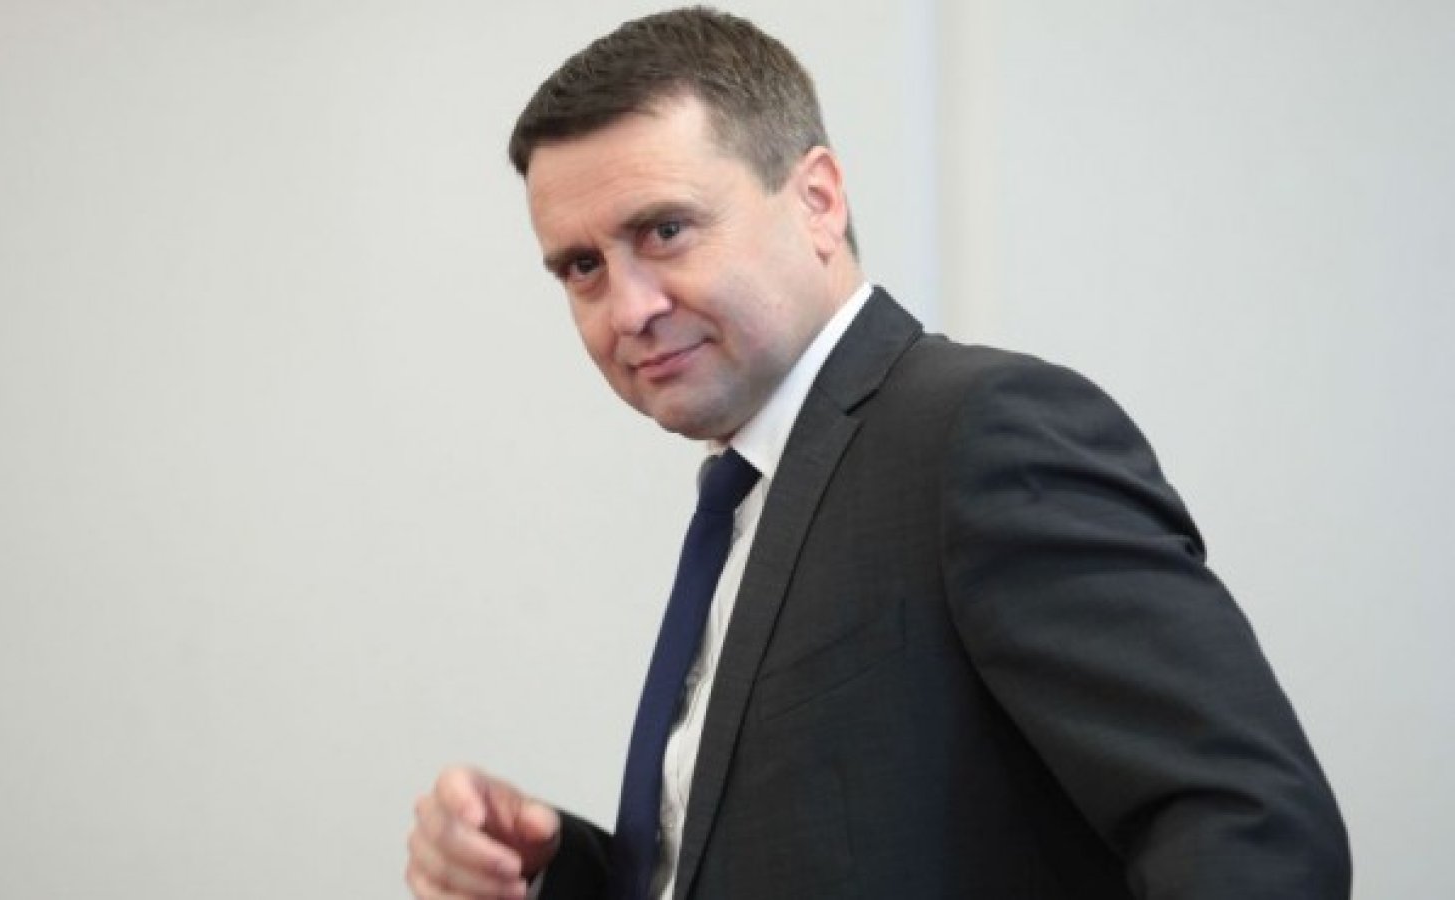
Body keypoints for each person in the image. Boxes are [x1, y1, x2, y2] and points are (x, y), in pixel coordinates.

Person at [405, 8, 1350, 899]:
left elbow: (1252, 830)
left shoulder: (981, 434)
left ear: (817, 202)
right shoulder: (751, 494)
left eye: (665, 230)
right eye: (582, 267)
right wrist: (550, 872)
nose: (629, 308)